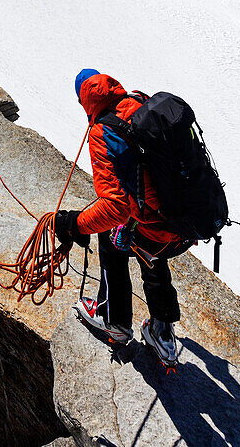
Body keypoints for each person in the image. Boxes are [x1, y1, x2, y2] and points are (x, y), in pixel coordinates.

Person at [54, 69, 186, 366]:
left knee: (112, 236)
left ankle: (113, 320)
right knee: (150, 249)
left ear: (83, 99)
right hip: (178, 224)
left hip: (153, 228)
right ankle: (162, 331)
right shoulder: (139, 102)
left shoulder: (102, 132)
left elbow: (115, 208)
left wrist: (74, 224)